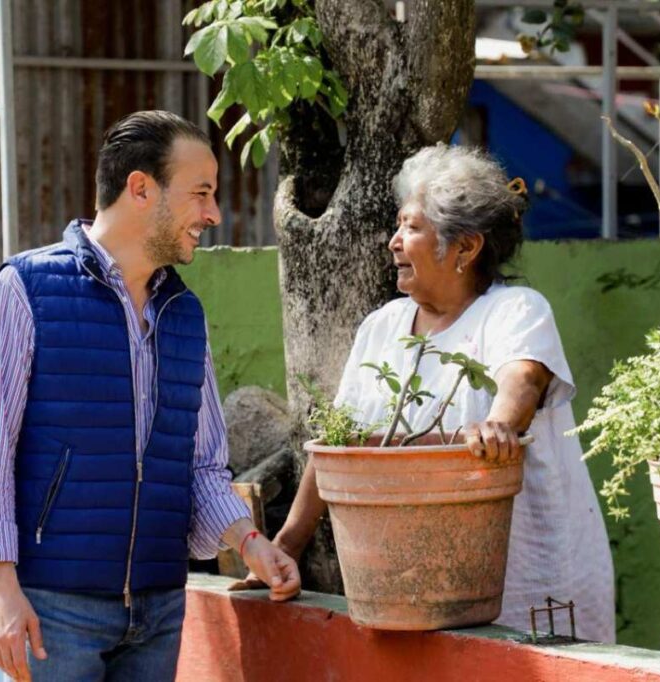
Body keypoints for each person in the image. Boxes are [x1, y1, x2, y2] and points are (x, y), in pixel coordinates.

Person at [0, 110, 300, 682]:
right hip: (56, 610)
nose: (212, 214)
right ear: (141, 188)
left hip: (160, 608)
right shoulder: (26, 290)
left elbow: (202, 467)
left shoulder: (184, 313)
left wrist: (252, 542)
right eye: (201, 194)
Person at [259, 144, 615, 642]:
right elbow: (340, 445)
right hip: (414, 591)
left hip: (532, 585)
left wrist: (500, 426)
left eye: (411, 227)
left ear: (465, 248)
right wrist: (287, 545)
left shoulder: (516, 310)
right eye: (398, 226)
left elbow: (523, 380)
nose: (393, 242)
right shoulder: (383, 327)